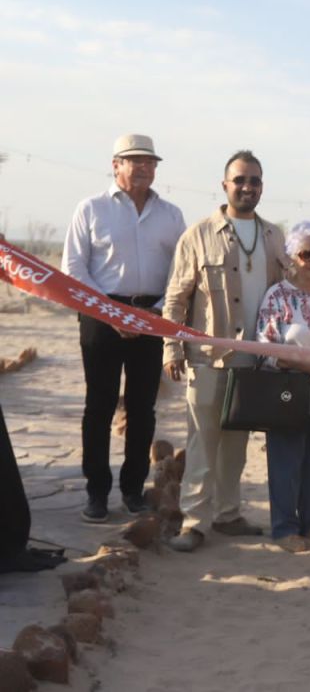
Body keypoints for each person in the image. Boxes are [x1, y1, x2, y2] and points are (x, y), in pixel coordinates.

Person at [163, 150, 288, 552]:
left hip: (255, 361)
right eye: (240, 180)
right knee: (202, 441)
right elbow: (176, 300)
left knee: (236, 443)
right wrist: (172, 348)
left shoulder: (274, 236)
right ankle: (194, 523)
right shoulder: (198, 235)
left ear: (262, 187)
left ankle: (228, 514)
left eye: (254, 181)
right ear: (224, 185)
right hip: (207, 358)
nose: (247, 187)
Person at [61, 134, 185, 523]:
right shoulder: (91, 208)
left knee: (142, 408)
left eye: (150, 162)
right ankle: (96, 492)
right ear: (116, 165)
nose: (144, 168)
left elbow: (181, 271)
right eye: (135, 161)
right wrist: (111, 312)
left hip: (151, 318)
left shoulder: (171, 214)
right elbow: (74, 269)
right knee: (99, 406)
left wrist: (157, 312)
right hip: (101, 318)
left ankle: (133, 489)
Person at [255, 221, 310, 553]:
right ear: (292, 257)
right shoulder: (278, 295)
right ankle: (284, 528)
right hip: (289, 389)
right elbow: (266, 346)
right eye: (307, 254)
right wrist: (305, 364)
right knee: (286, 460)